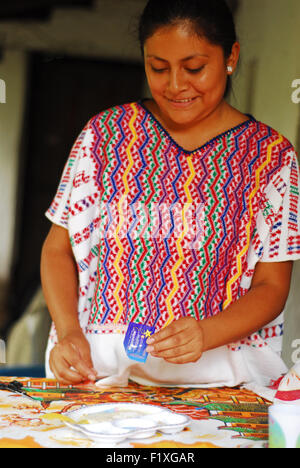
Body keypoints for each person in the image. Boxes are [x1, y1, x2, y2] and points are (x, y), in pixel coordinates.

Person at [41, 0, 300, 388]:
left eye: (194, 68)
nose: (175, 85)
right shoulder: (104, 136)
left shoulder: (270, 158)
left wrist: (207, 333)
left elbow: (272, 287)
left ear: (231, 56)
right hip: (101, 374)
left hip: (219, 383)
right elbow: (57, 249)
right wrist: (68, 331)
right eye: (158, 68)